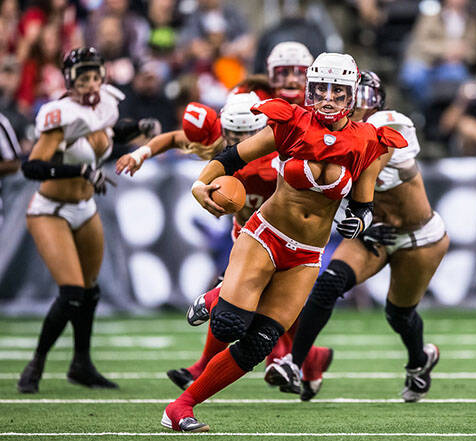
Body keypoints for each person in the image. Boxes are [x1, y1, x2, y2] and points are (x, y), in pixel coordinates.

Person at [160, 52, 408, 432]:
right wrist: (200, 184)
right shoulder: (290, 122)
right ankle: (216, 298)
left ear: (351, 94)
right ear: (309, 90)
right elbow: (231, 158)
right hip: (266, 235)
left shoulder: (369, 142)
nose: (327, 98)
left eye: (337, 91)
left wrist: (360, 221)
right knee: (228, 325)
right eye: (320, 89)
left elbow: (363, 202)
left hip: (307, 254)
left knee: (259, 344)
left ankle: (182, 406)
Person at [265, 71, 450, 402]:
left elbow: (373, 161)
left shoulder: (388, 125)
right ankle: (295, 362)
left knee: (398, 313)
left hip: (416, 235)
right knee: (327, 284)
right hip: (372, 232)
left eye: (347, 94)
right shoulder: (325, 134)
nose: (341, 102)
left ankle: (419, 362)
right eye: (334, 93)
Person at [17, 47, 158, 394]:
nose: (91, 84)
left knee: (90, 292)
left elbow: (109, 133)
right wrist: (80, 169)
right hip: (50, 208)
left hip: (85, 207)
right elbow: (32, 166)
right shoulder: (59, 113)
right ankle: (36, 363)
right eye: (83, 78)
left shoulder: (105, 103)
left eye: (95, 76)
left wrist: (139, 128)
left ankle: (81, 363)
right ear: (70, 81)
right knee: (72, 292)